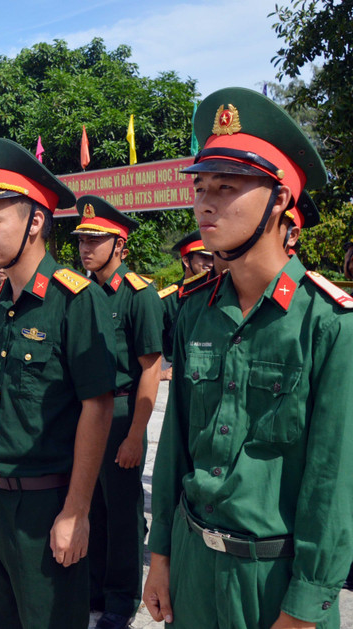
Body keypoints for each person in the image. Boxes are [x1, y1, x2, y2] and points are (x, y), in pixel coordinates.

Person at [143, 87, 353, 629]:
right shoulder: (196, 311)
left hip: (273, 586)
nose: (205, 203)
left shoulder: (327, 322)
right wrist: (160, 556)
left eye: (228, 187)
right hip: (194, 567)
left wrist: (306, 608)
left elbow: (333, 482)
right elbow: (175, 448)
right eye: (201, 186)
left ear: (280, 198)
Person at [0, 138, 116, 628]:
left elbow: (97, 408)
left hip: (45, 504)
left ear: (35, 222)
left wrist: (75, 513)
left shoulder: (75, 300)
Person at [73, 195, 164, 629]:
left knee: (124, 511)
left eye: (96, 240)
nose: (86, 248)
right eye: (81, 240)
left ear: (120, 247)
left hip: (125, 412)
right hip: (90, 411)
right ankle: (93, 585)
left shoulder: (138, 295)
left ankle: (122, 596)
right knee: (91, 503)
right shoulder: (83, 293)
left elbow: (150, 369)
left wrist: (135, 435)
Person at [158, 230, 214, 369]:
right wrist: (160, 373)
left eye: (213, 258)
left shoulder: (219, 292)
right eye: (204, 257)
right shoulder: (167, 299)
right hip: (179, 372)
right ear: (186, 260)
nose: (210, 263)